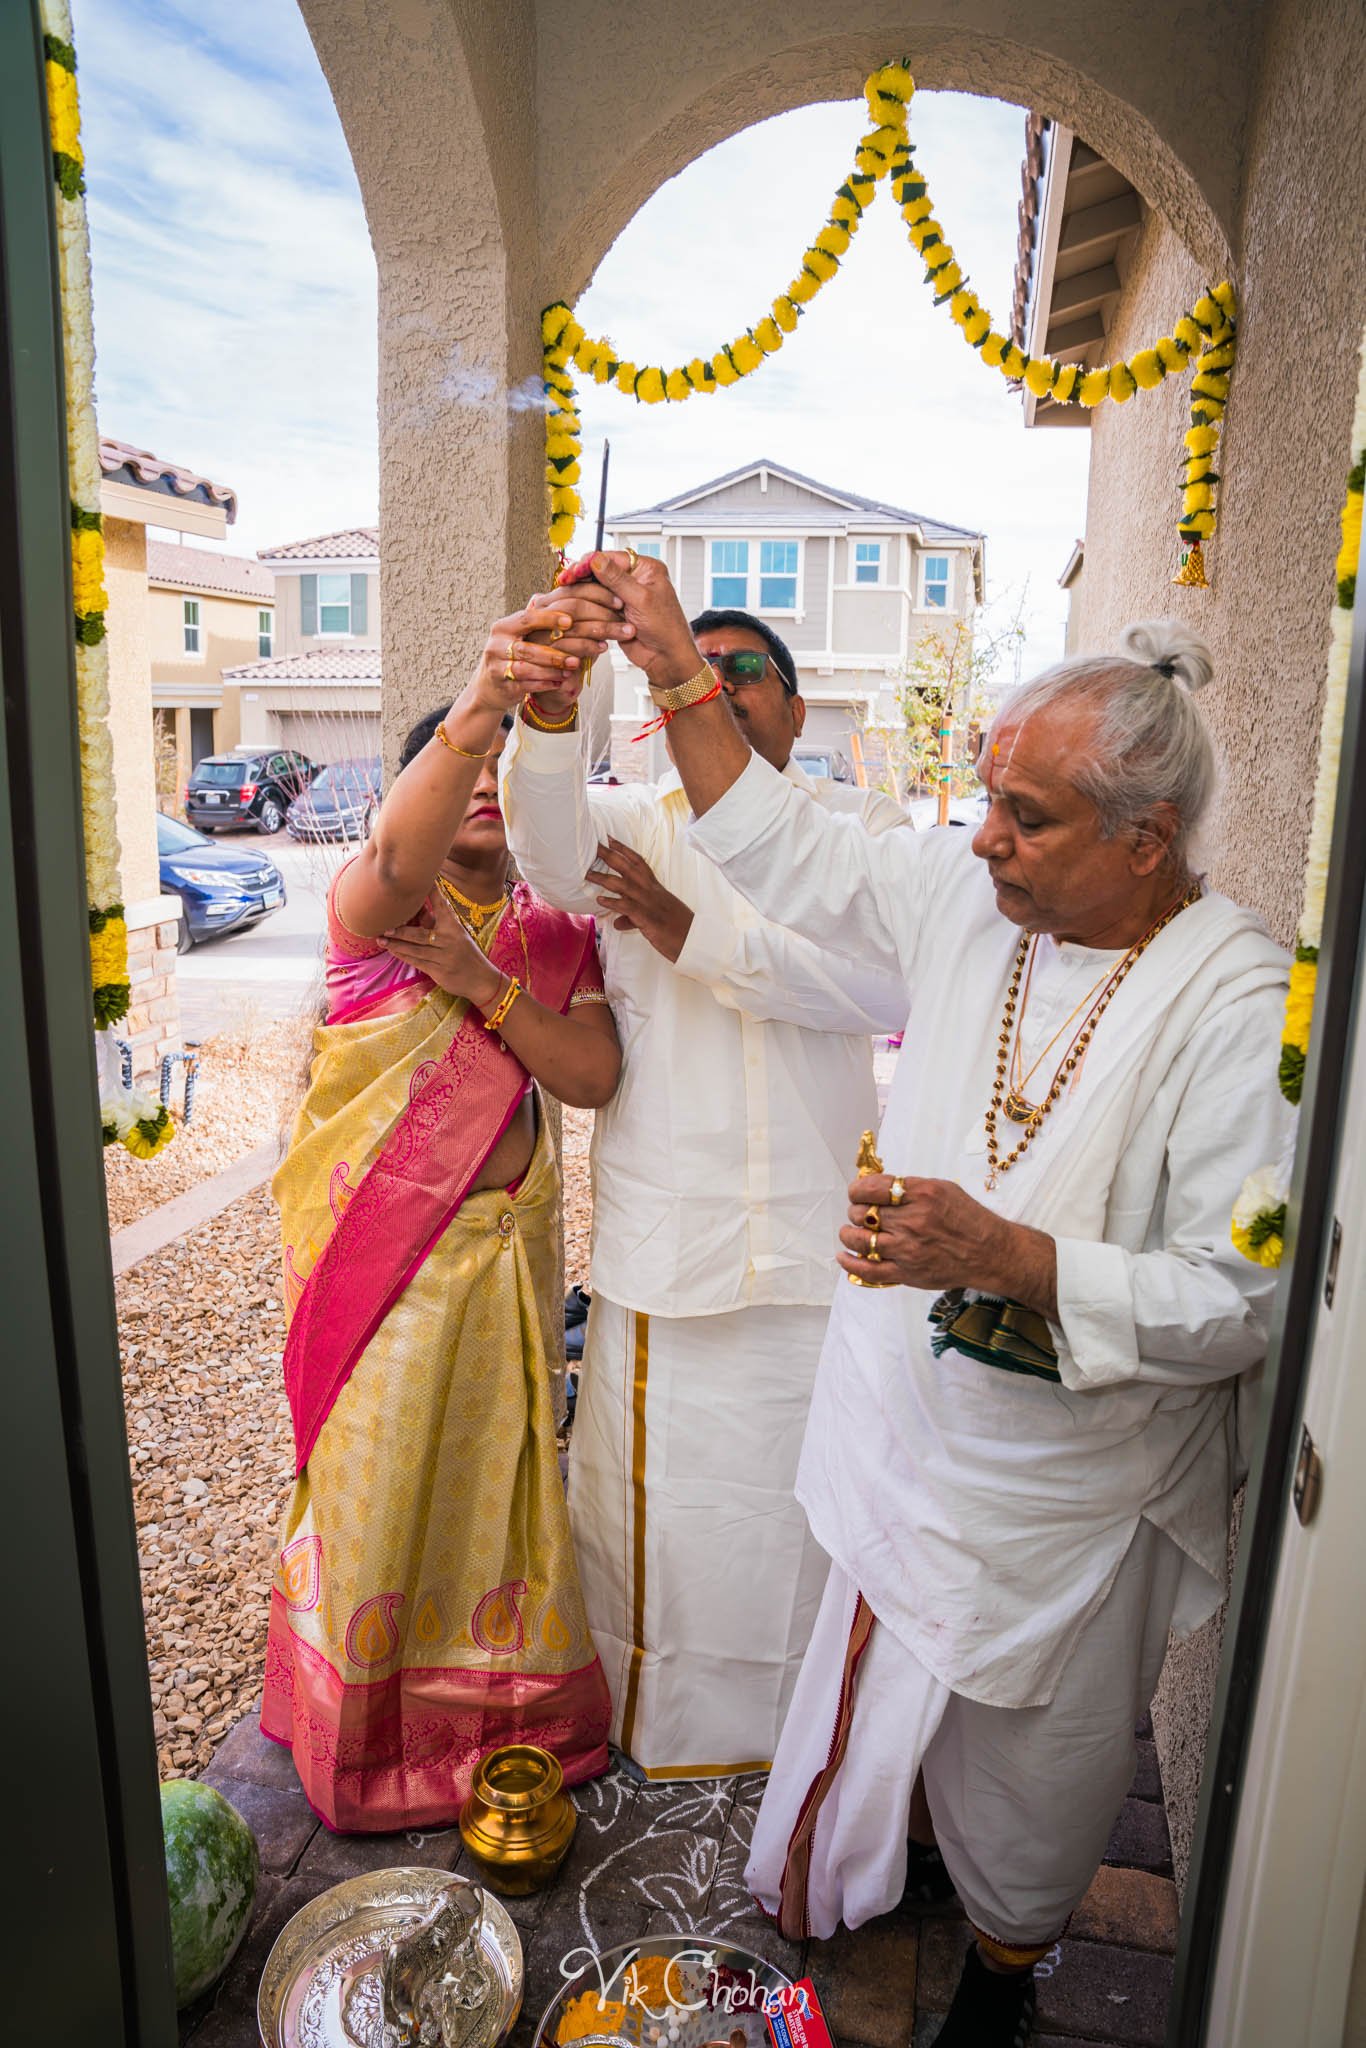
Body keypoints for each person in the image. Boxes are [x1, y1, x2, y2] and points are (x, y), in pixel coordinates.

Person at [575, 547, 1291, 2047]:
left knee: (1037, 1779)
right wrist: (672, 669)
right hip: (905, 1420)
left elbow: (1238, 1295)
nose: (981, 844)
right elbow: (784, 843)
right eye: (981, 800)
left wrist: (1011, 1261)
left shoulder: (1233, 1003)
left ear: (1145, 839)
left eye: (1023, 818)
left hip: (1069, 1494)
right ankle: (866, 1858)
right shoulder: (974, 905)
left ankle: (1006, 1968)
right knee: (868, 1686)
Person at [496, 584, 910, 1781]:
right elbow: (543, 841)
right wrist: (552, 709)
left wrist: (698, 936)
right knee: (665, 1519)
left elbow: (877, 990)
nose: (717, 687)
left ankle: (802, 1737)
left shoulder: (859, 827)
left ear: (792, 707)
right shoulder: (633, 819)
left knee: (797, 1518)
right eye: (697, 667)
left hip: (812, 1252)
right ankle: (657, 1730)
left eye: (745, 673)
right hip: (666, 1251)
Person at [262, 601, 623, 1832]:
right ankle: (362, 1753)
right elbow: (405, 858)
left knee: (493, 1503)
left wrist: (477, 979)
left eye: (502, 772)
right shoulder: (376, 914)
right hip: (389, 1279)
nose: (482, 788)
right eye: (463, 769)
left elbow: (588, 1075)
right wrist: (483, 699)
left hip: (505, 1274)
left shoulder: (553, 937)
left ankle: (486, 1734)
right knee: (381, 1494)